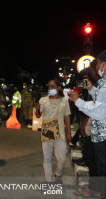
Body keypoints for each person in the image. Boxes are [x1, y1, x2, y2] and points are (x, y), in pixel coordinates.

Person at [69, 50, 106, 198]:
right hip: (101, 134)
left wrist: (77, 100)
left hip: (103, 136)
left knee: (102, 168)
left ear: (103, 64)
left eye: (96, 64)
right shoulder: (103, 85)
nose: (96, 67)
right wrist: (91, 89)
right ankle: (98, 190)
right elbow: (101, 99)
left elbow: (99, 111)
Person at [35, 78, 71, 183]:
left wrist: (69, 132)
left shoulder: (64, 102)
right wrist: (37, 108)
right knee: (47, 159)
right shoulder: (43, 100)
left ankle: (58, 174)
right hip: (47, 134)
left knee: (62, 158)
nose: (50, 88)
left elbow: (67, 117)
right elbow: (38, 115)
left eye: (53, 86)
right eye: (49, 86)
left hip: (60, 134)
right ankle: (48, 180)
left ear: (59, 88)